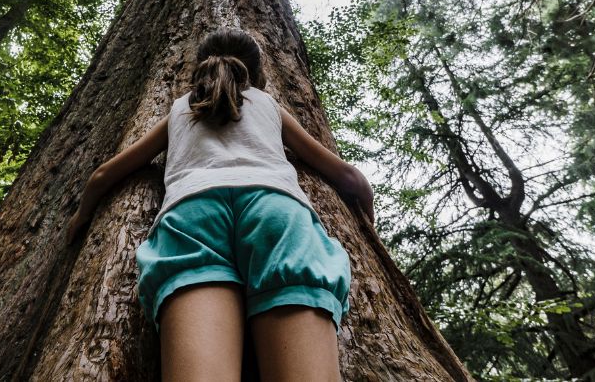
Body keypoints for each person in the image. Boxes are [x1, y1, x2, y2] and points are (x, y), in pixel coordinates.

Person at [65, 28, 375, 381]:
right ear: (256, 75)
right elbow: (351, 179)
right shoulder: (269, 105)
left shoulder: (180, 111)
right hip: (277, 213)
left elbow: (103, 175)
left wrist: (81, 215)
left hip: (193, 216)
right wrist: (370, 222)